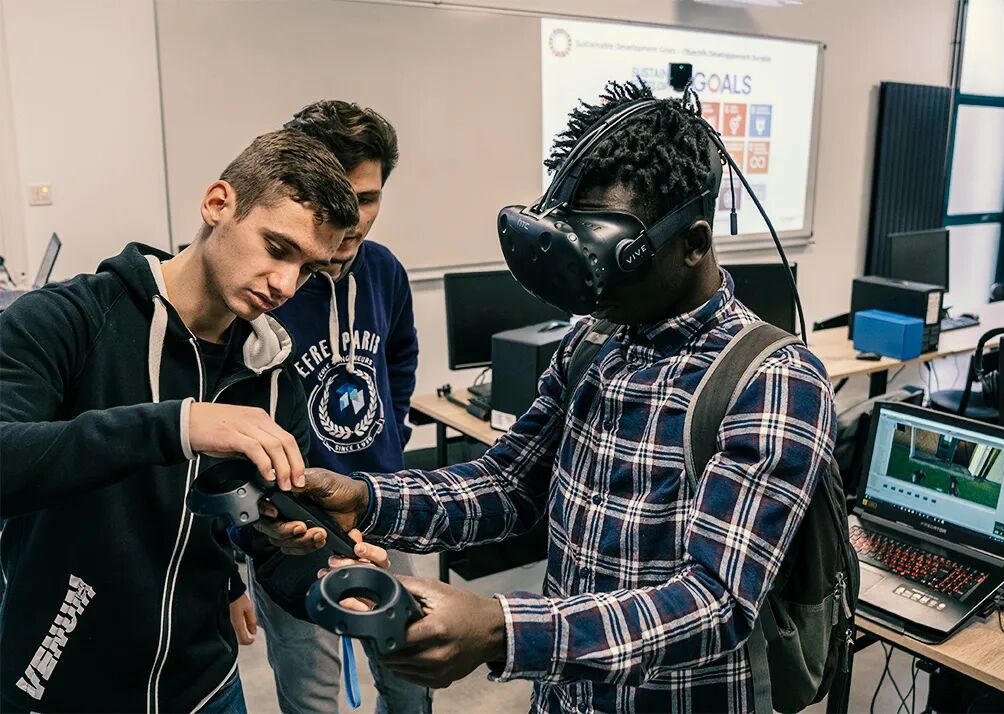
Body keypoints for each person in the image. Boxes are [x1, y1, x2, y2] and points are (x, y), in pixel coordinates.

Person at [261, 78, 838, 713]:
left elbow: (714, 603)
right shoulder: (594, 343)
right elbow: (509, 484)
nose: (590, 283)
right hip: (563, 699)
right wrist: (366, 498)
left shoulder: (771, 380)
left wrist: (501, 630)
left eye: (610, 254)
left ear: (693, 244)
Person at [0, 129, 362, 713]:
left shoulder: (274, 378)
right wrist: (177, 425)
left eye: (307, 270)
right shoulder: (68, 320)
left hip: (205, 686)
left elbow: (264, 537)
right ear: (218, 204)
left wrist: (319, 573)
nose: (285, 285)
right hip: (60, 682)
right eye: (276, 247)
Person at [231, 100, 427, 713]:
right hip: (294, 522)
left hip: (385, 502)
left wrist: (388, 438)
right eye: (337, 197)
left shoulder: (385, 271)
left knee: (410, 673)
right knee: (311, 690)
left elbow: (400, 356)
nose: (353, 218)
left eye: (367, 199)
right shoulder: (265, 281)